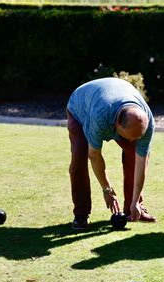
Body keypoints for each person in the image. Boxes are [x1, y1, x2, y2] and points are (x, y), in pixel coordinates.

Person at [67, 77, 156, 230]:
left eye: (138, 137)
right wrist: (107, 189)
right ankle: (81, 214)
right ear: (117, 127)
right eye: (131, 137)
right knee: (79, 160)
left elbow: (141, 163)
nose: (135, 140)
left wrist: (135, 200)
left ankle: (134, 208)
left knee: (134, 154)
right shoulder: (99, 117)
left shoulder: (147, 124)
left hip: (113, 98)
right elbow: (94, 155)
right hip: (80, 108)